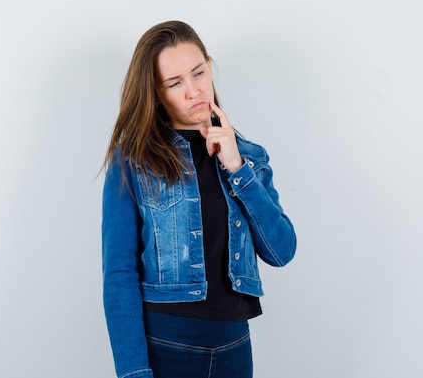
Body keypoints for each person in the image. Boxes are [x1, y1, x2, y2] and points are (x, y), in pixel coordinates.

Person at [101, 20, 297, 378]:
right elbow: (119, 275)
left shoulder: (249, 157)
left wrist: (237, 168)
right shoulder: (134, 160)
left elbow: (281, 251)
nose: (194, 91)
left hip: (235, 348)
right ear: (156, 94)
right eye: (175, 83)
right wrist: (133, 372)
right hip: (165, 347)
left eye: (198, 73)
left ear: (210, 67)